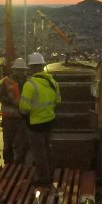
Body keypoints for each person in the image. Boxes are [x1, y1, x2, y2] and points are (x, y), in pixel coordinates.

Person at [18, 52, 60, 186]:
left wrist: (27, 115)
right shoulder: (53, 82)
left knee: (39, 152)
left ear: (32, 68)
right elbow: (58, 101)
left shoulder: (30, 85)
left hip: (35, 125)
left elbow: (24, 108)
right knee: (48, 149)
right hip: (50, 122)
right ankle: (51, 172)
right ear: (42, 66)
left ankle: (44, 178)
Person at [0, 58, 28, 165]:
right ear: (14, 70)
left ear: (25, 70)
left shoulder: (29, 82)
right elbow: (0, 96)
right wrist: (11, 103)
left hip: (23, 118)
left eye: (22, 70)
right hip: (9, 119)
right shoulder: (7, 81)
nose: (20, 72)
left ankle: (20, 165)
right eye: (18, 70)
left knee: (22, 144)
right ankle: (8, 164)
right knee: (8, 144)